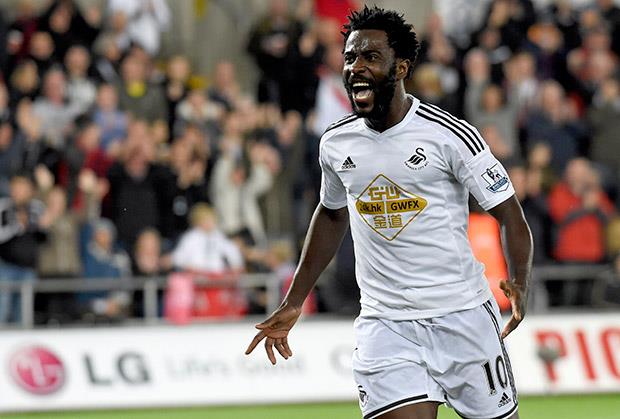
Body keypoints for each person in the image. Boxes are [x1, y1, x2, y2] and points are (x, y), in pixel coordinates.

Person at [246, 7, 532, 419]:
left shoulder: (450, 136)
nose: (356, 67)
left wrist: (520, 281)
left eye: (370, 57)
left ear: (401, 67)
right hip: (385, 323)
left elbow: (510, 215)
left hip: (462, 316)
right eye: (349, 57)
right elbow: (331, 214)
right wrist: (294, 300)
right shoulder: (336, 143)